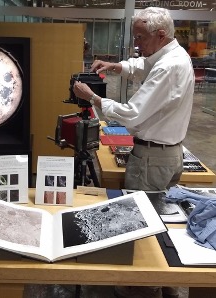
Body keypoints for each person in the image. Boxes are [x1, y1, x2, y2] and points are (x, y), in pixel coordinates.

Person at [73, 7, 194, 298]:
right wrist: (117, 67)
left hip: (153, 158)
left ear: (161, 34)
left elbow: (133, 115)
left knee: (141, 222)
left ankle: (141, 287)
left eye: (140, 37)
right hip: (168, 153)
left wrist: (93, 98)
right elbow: (145, 65)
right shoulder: (174, 56)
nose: (137, 45)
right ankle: (160, 280)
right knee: (161, 220)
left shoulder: (168, 67)